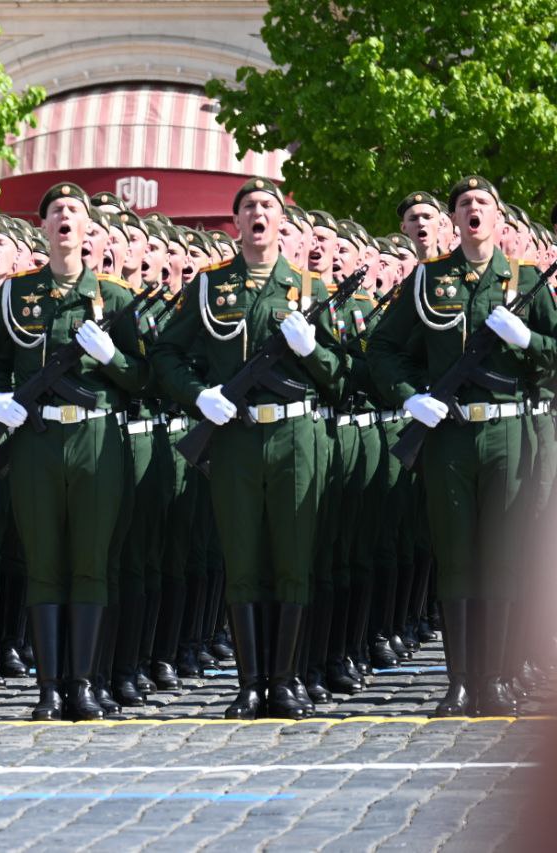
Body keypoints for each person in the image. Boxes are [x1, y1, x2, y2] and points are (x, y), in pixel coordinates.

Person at [152, 178, 347, 720]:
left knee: (293, 558)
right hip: (234, 436)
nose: (258, 213)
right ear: (234, 223)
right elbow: (167, 353)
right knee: (242, 560)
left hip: (294, 437)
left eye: (267, 206)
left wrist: (313, 351)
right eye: (248, 207)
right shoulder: (211, 287)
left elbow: (340, 373)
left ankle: (285, 681)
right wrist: (199, 396)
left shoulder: (309, 289)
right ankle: (250, 684)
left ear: (281, 221)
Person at [369, 175, 557, 717]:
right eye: (464, 204)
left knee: (499, 554)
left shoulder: (524, 282)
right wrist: (411, 398)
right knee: (455, 557)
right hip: (448, 434)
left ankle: (495, 681)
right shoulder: (429, 280)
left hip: (507, 433)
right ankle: (459, 682)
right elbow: (383, 348)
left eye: (483, 202)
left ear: (497, 219)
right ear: (455, 219)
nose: (473, 209)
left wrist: (529, 341)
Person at [0, 182, 148, 722]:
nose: (65, 217)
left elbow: (143, 376)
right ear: (42, 228)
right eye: (55, 211)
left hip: (96, 440)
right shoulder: (16, 296)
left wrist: (112, 357)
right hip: (36, 441)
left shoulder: (114, 298)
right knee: (44, 563)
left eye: (75, 209)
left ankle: (84, 684)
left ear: (89, 228)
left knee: (90, 563)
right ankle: (48, 689)